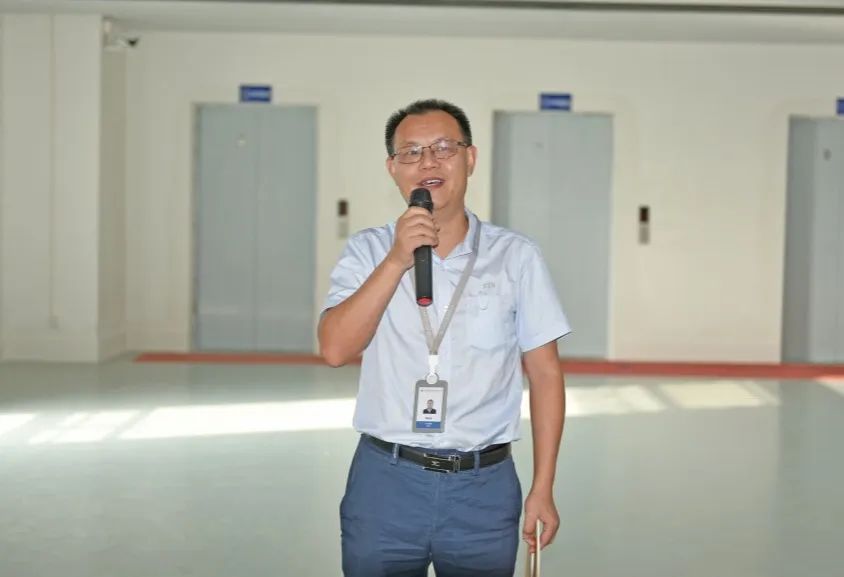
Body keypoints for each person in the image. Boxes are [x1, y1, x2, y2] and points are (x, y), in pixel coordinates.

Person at [319, 98, 570, 577]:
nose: (428, 162)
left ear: (469, 159)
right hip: (385, 484)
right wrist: (397, 259)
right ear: (393, 169)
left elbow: (545, 374)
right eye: (411, 152)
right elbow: (334, 349)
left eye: (443, 148)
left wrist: (543, 486)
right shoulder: (368, 251)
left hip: (484, 488)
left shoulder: (516, 257)